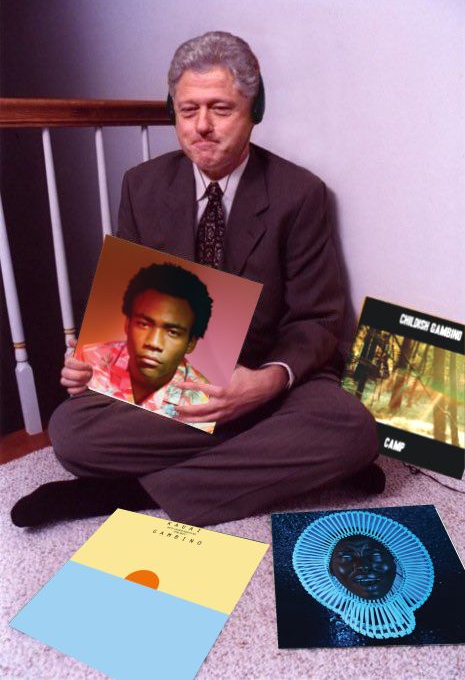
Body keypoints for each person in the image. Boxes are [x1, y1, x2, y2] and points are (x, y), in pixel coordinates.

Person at [11, 31, 383, 529]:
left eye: (220, 109)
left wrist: (263, 384)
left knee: (352, 428)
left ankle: (133, 493)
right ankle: (285, 462)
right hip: (179, 381)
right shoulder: (140, 186)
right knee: (71, 431)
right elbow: (128, 302)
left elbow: (317, 319)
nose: (202, 126)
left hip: (269, 376)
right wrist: (90, 361)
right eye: (188, 111)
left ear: (255, 109)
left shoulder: (301, 194)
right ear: (173, 112)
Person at [76, 263, 215, 433]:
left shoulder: (203, 399)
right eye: (143, 324)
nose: (154, 343)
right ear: (127, 324)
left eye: (172, 332)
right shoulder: (91, 357)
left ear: (190, 343)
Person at [292, 510, 434, 639]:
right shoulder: (311, 625)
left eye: (374, 554)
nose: (363, 566)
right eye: (346, 558)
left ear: (394, 561)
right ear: (331, 569)